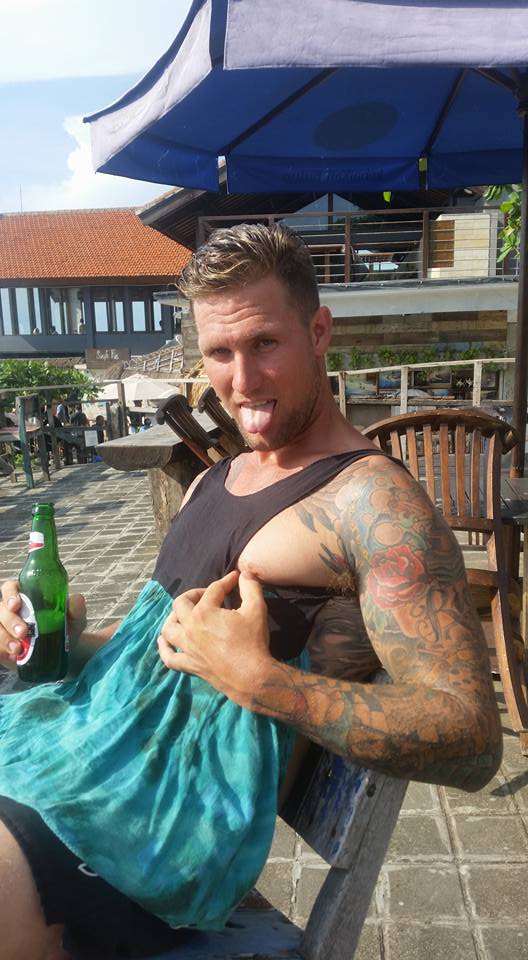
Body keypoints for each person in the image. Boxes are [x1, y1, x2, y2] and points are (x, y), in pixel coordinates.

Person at [0, 224, 501, 960]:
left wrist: (263, 682)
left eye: (265, 343)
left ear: (319, 332)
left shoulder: (374, 505)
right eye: (220, 353)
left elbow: (471, 737)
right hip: (81, 757)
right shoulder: (214, 478)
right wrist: (59, 635)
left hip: (153, 829)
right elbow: (161, 656)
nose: (242, 380)